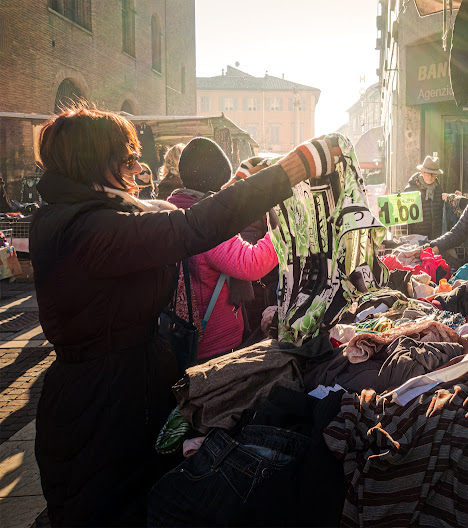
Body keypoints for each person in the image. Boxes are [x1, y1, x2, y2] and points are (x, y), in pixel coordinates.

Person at [30, 104, 340, 526]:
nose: (137, 170)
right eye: (127, 160)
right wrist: (290, 170)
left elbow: (175, 215)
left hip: (128, 390)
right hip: (101, 409)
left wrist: (235, 188)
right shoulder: (86, 229)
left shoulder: (95, 215)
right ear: (95, 164)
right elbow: (190, 228)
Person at [167, 138, 280, 360]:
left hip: (180, 334)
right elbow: (252, 263)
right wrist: (283, 232)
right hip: (212, 345)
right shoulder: (207, 221)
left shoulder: (171, 210)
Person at [403, 155, 444, 240]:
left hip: (435, 237)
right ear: (422, 172)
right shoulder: (411, 190)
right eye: (427, 174)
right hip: (417, 237)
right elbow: (404, 217)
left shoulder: (439, 189)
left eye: (433, 175)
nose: (430, 178)